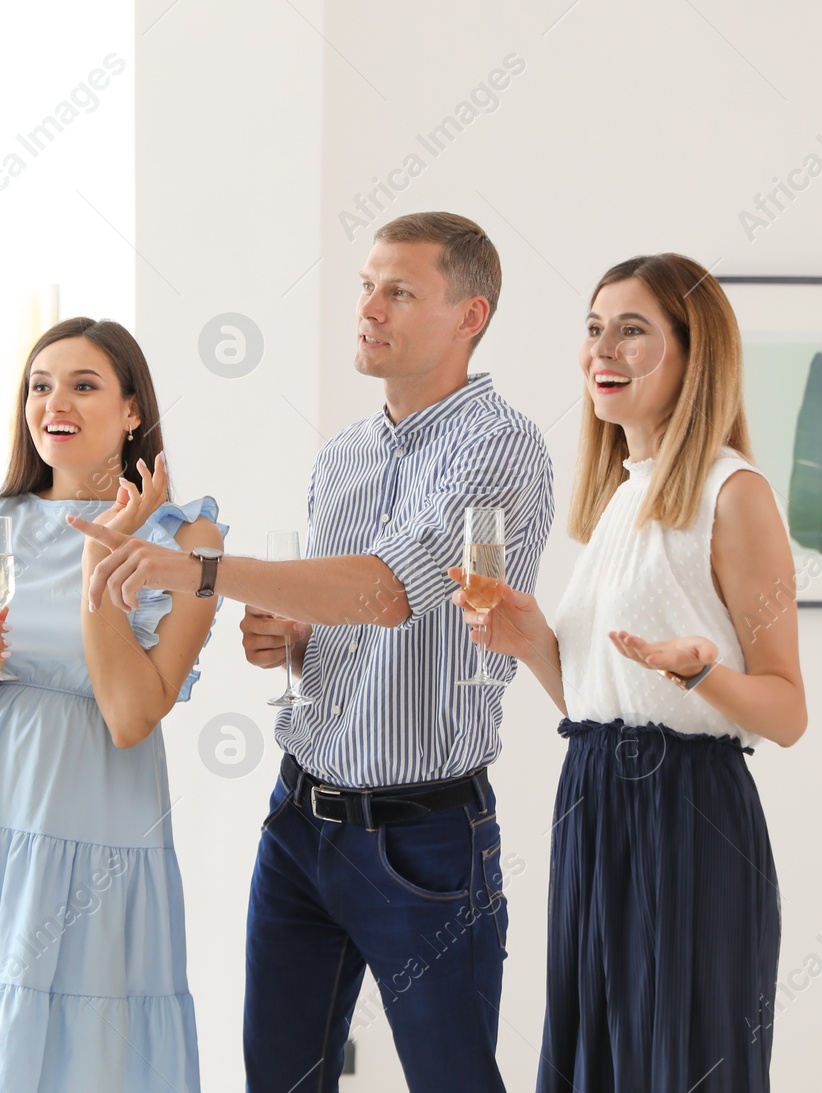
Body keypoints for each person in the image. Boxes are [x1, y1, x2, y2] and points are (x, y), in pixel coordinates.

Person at [70, 212, 554, 1092]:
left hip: (425, 843)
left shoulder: (501, 446)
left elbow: (387, 590)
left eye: (399, 290)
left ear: (469, 316)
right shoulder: (343, 458)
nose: (368, 307)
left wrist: (200, 571)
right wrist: (297, 643)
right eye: (366, 284)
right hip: (299, 822)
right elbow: (349, 613)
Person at [451, 253, 806, 1092]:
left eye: (633, 330)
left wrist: (701, 676)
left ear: (693, 353)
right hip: (595, 797)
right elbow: (595, 699)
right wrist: (534, 639)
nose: (601, 349)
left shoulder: (735, 493)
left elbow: (786, 710)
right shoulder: (623, 496)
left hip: (688, 815)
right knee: (596, 1063)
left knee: (675, 1060)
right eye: (593, 327)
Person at [0, 317, 223, 1092]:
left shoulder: (185, 540)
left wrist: (100, 554)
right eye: (40, 384)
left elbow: (131, 716)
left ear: (132, 410)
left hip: (93, 841)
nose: (54, 402)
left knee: (84, 1055)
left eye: (84, 384)